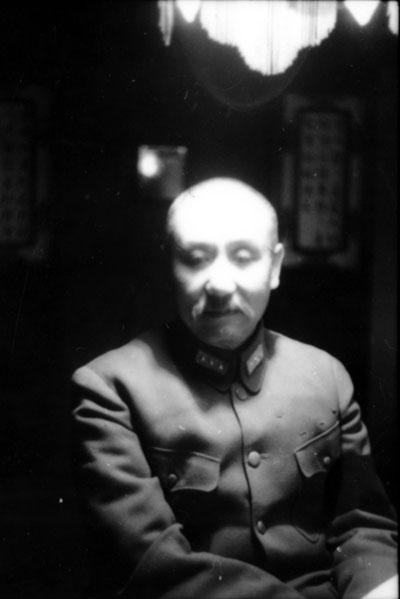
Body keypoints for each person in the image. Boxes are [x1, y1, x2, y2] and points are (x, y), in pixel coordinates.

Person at [71, 178, 397, 599]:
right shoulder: (110, 388)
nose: (220, 284)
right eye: (196, 259)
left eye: (243, 257)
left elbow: (364, 526)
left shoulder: (326, 376)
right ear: (170, 265)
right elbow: (152, 564)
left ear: (275, 267)